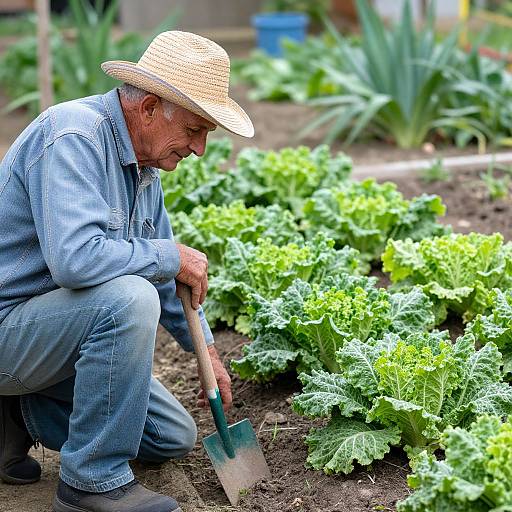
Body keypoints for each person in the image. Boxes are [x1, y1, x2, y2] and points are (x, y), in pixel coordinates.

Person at [0, 30, 254, 512]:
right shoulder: (72, 137)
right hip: (8, 327)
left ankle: (17, 412)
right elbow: (77, 260)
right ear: (150, 108)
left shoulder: (143, 169)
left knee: (171, 436)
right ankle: (91, 483)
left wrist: (208, 353)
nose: (199, 148)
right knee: (128, 297)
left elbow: (167, 280)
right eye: (195, 129)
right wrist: (169, 255)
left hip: (47, 339)